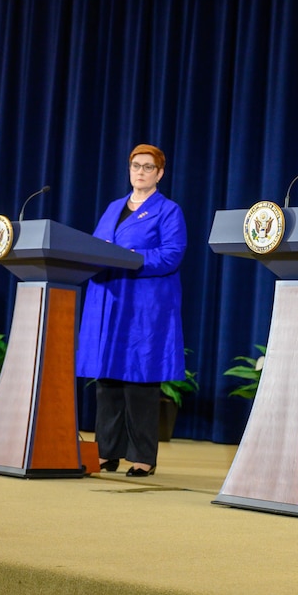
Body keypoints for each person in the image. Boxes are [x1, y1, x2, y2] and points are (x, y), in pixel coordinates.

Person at [76, 144, 187, 476]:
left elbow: (172, 255)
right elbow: (96, 247)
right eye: (135, 166)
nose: (140, 172)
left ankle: (142, 457)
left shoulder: (168, 210)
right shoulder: (113, 207)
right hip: (108, 301)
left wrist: (128, 256)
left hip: (144, 306)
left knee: (140, 381)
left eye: (148, 167)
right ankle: (107, 452)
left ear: (160, 173)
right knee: (107, 380)